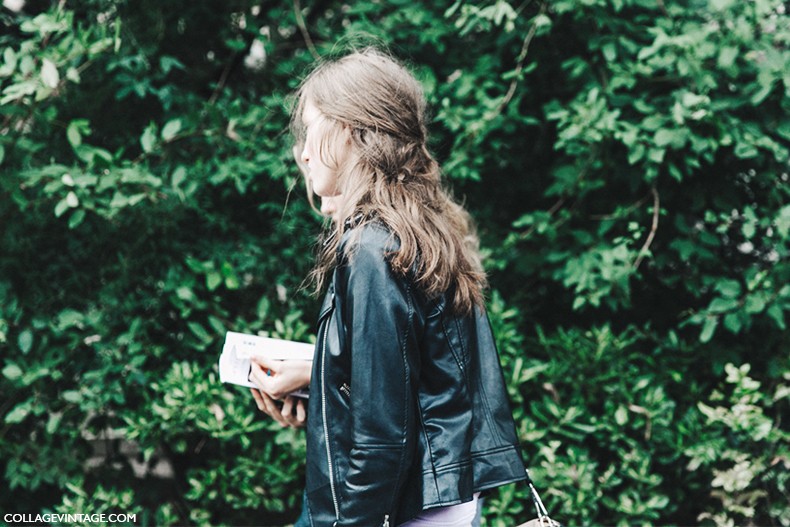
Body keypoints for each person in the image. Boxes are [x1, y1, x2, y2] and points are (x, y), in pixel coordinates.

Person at [250, 47, 527, 527]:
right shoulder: (423, 230)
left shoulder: (371, 248)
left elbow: (382, 435)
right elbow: (417, 380)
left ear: (353, 133)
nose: (304, 153)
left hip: (393, 509)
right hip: (441, 500)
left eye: (312, 132)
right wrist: (317, 380)